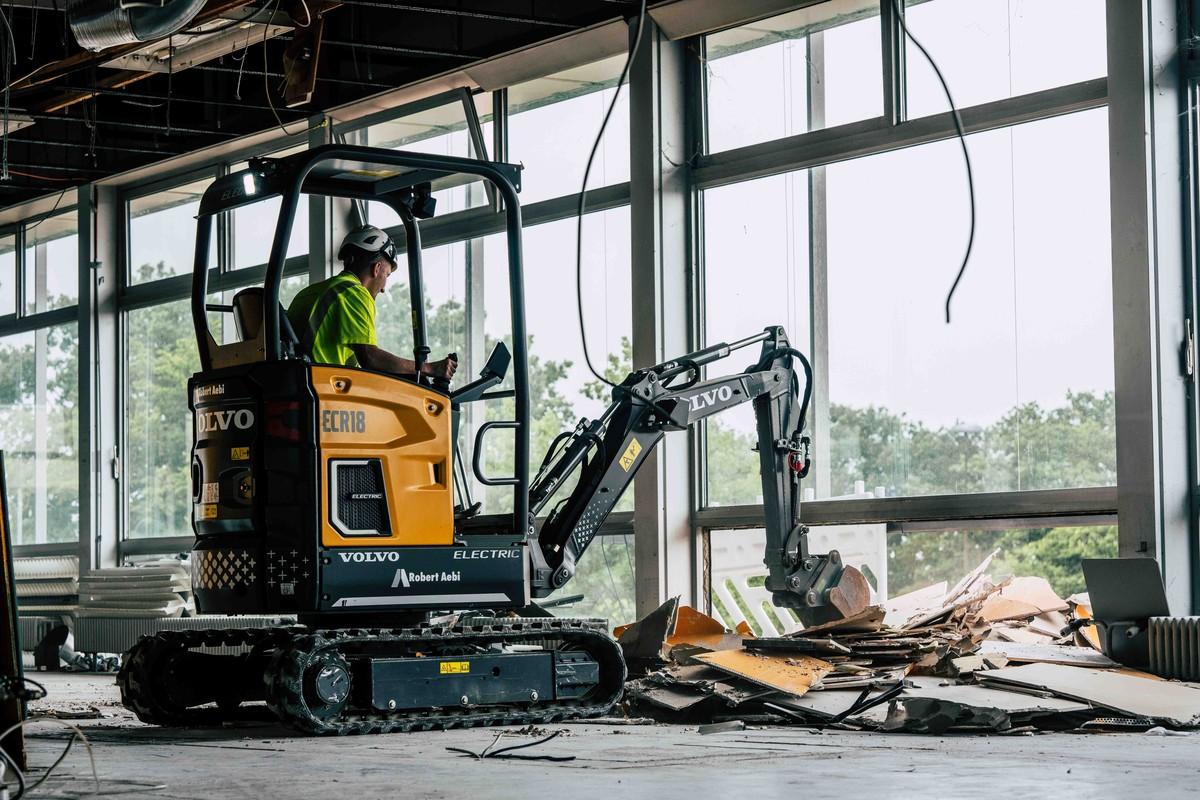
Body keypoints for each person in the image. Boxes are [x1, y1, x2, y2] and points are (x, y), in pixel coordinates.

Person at [287, 224, 457, 382]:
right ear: (376, 269)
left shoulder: (309, 293)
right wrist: (428, 368)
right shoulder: (354, 293)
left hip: (297, 386)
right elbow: (370, 358)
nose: (383, 289)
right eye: (387, 276)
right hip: (321, 391)